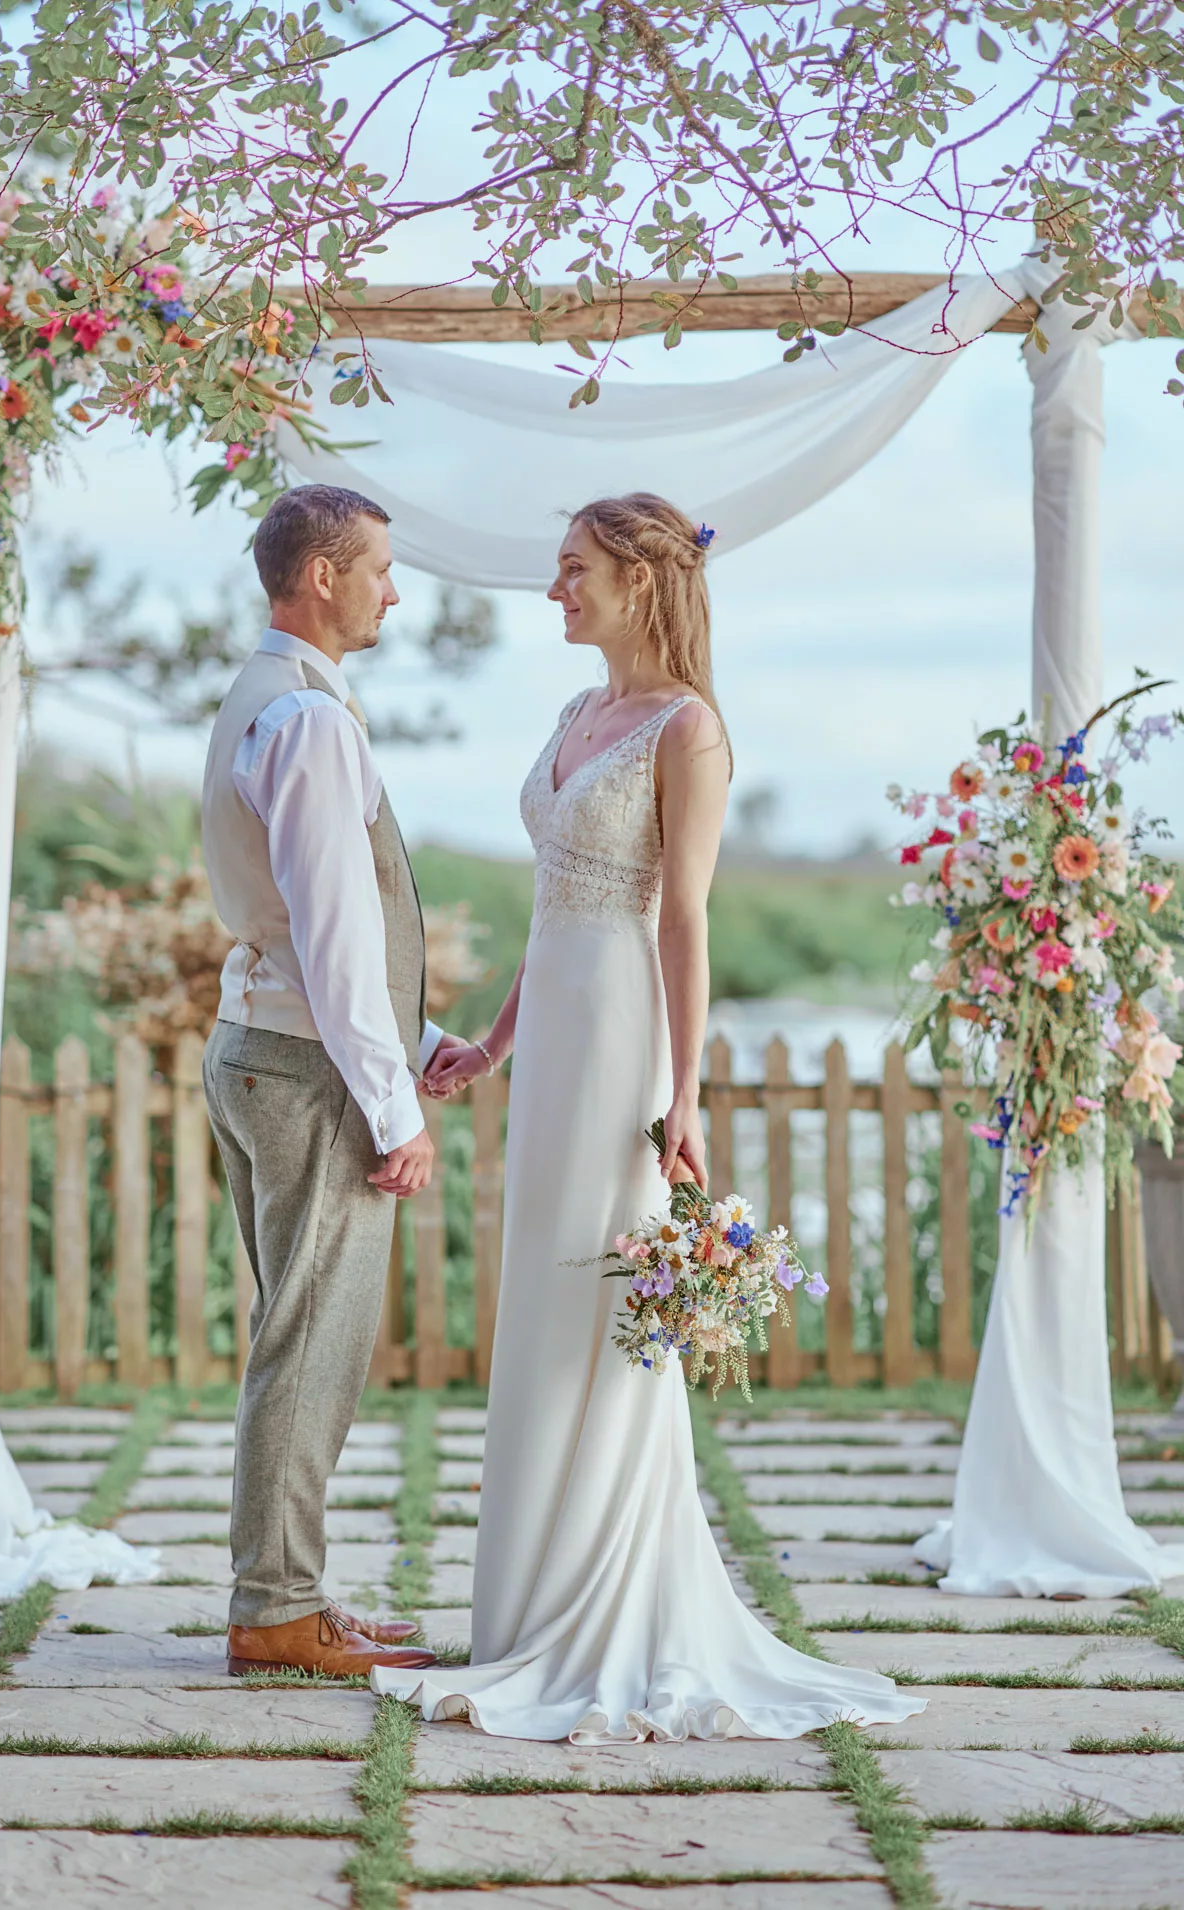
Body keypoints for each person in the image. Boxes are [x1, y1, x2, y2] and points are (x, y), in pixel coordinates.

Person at [372, 492, 925, 1742]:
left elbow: (679, 918)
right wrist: (496, 1039)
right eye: (557, 568)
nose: (554, 589)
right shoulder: (575, 715)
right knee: (547, 1290)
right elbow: (553, 903)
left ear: (637, 579)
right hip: (556, 1028)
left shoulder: (690, 729)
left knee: (609, 1287)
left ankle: (607, 1599)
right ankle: (529, 1603)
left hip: (625, 1033)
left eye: (572, 569)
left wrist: (683, 1092)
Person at [201, 484, 465, 1680]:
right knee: (310, 1344)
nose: (394, 591)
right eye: (378, 569)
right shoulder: (307, 721)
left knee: (293, 1336)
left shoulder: (276, 700)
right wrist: (393, 1105)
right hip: (308, 1073)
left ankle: (291, 1590)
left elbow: (327, 928)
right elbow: (334, 930)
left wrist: (419, 1034)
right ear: (318, 576)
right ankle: (275, 1611)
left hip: (274, 1049)